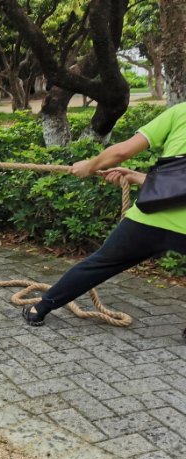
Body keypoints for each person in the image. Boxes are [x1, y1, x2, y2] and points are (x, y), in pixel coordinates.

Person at [22, 101, 186, 341]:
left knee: (99, 264)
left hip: (151, 217)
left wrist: (89, 166)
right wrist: (140, 177)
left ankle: (40, 309)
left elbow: (123, 151)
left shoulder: (182, 111)